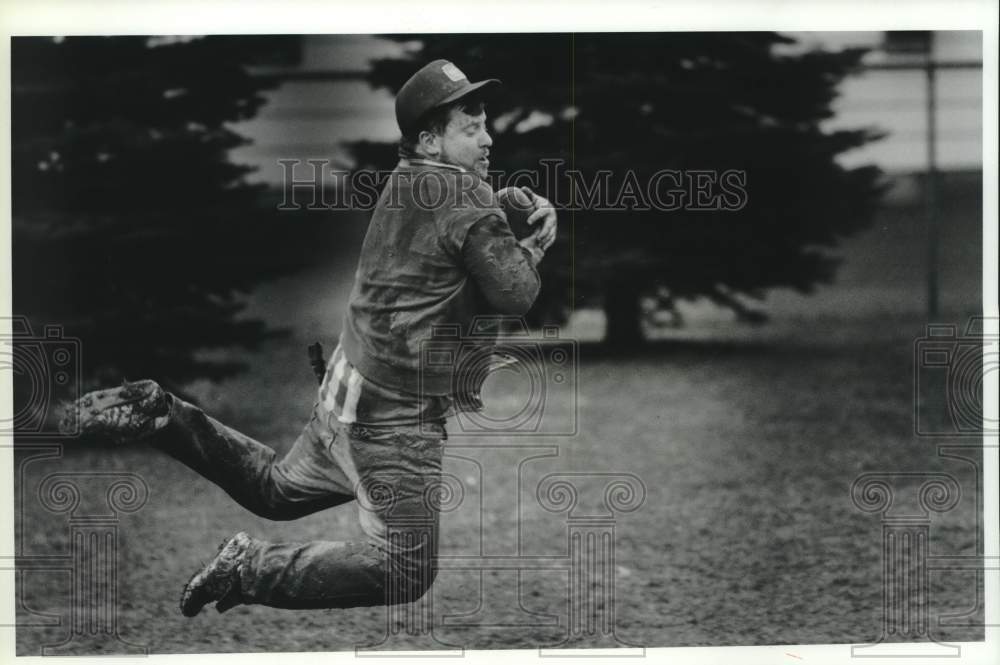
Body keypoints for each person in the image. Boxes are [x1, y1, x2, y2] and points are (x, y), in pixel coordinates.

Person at [60, 59, 557, 617]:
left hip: (347, 391)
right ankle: (250, 568)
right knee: (406, 569)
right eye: (472, 128)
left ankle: (164, 416)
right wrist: (534, 243)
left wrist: (501, 200)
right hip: (393, 419)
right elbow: (515, 293)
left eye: (486, 125)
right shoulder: (465, 201)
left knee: (273, 490)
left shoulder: (408, 181)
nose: (488, 139)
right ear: (430, 141)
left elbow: (459, 220)